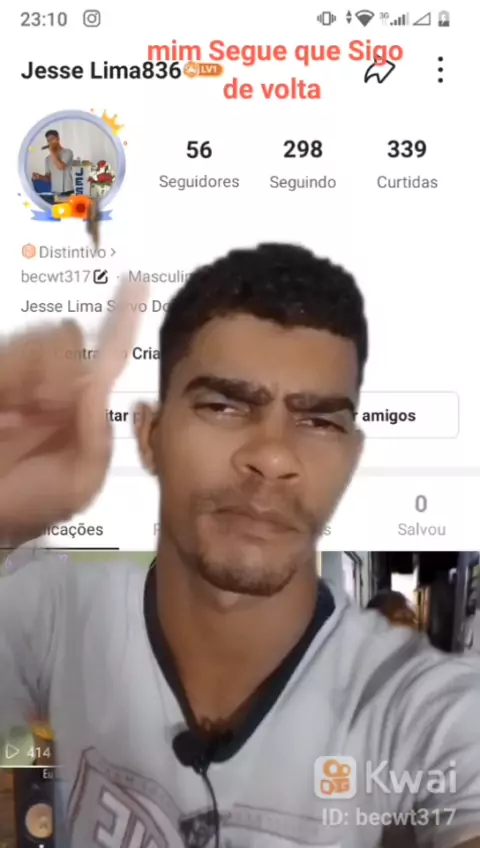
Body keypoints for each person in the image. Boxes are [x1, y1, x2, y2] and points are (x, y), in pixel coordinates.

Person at [0, 244, 480, 848]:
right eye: (224, 405)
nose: (273, 457)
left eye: (319, 421)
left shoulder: (424, 707)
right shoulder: (53, 613)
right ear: (150, 435)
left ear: (352, 457)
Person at [32, 129, 74, 202]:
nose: (50, 141)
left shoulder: (67, 152)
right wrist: (40, 177)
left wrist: (52, 151)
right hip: (55, 192)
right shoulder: (47, 159)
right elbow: (49, 178)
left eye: (52, 139)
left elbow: (60, 166)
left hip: (68, 191)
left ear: (58, 139)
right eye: (48, 140)